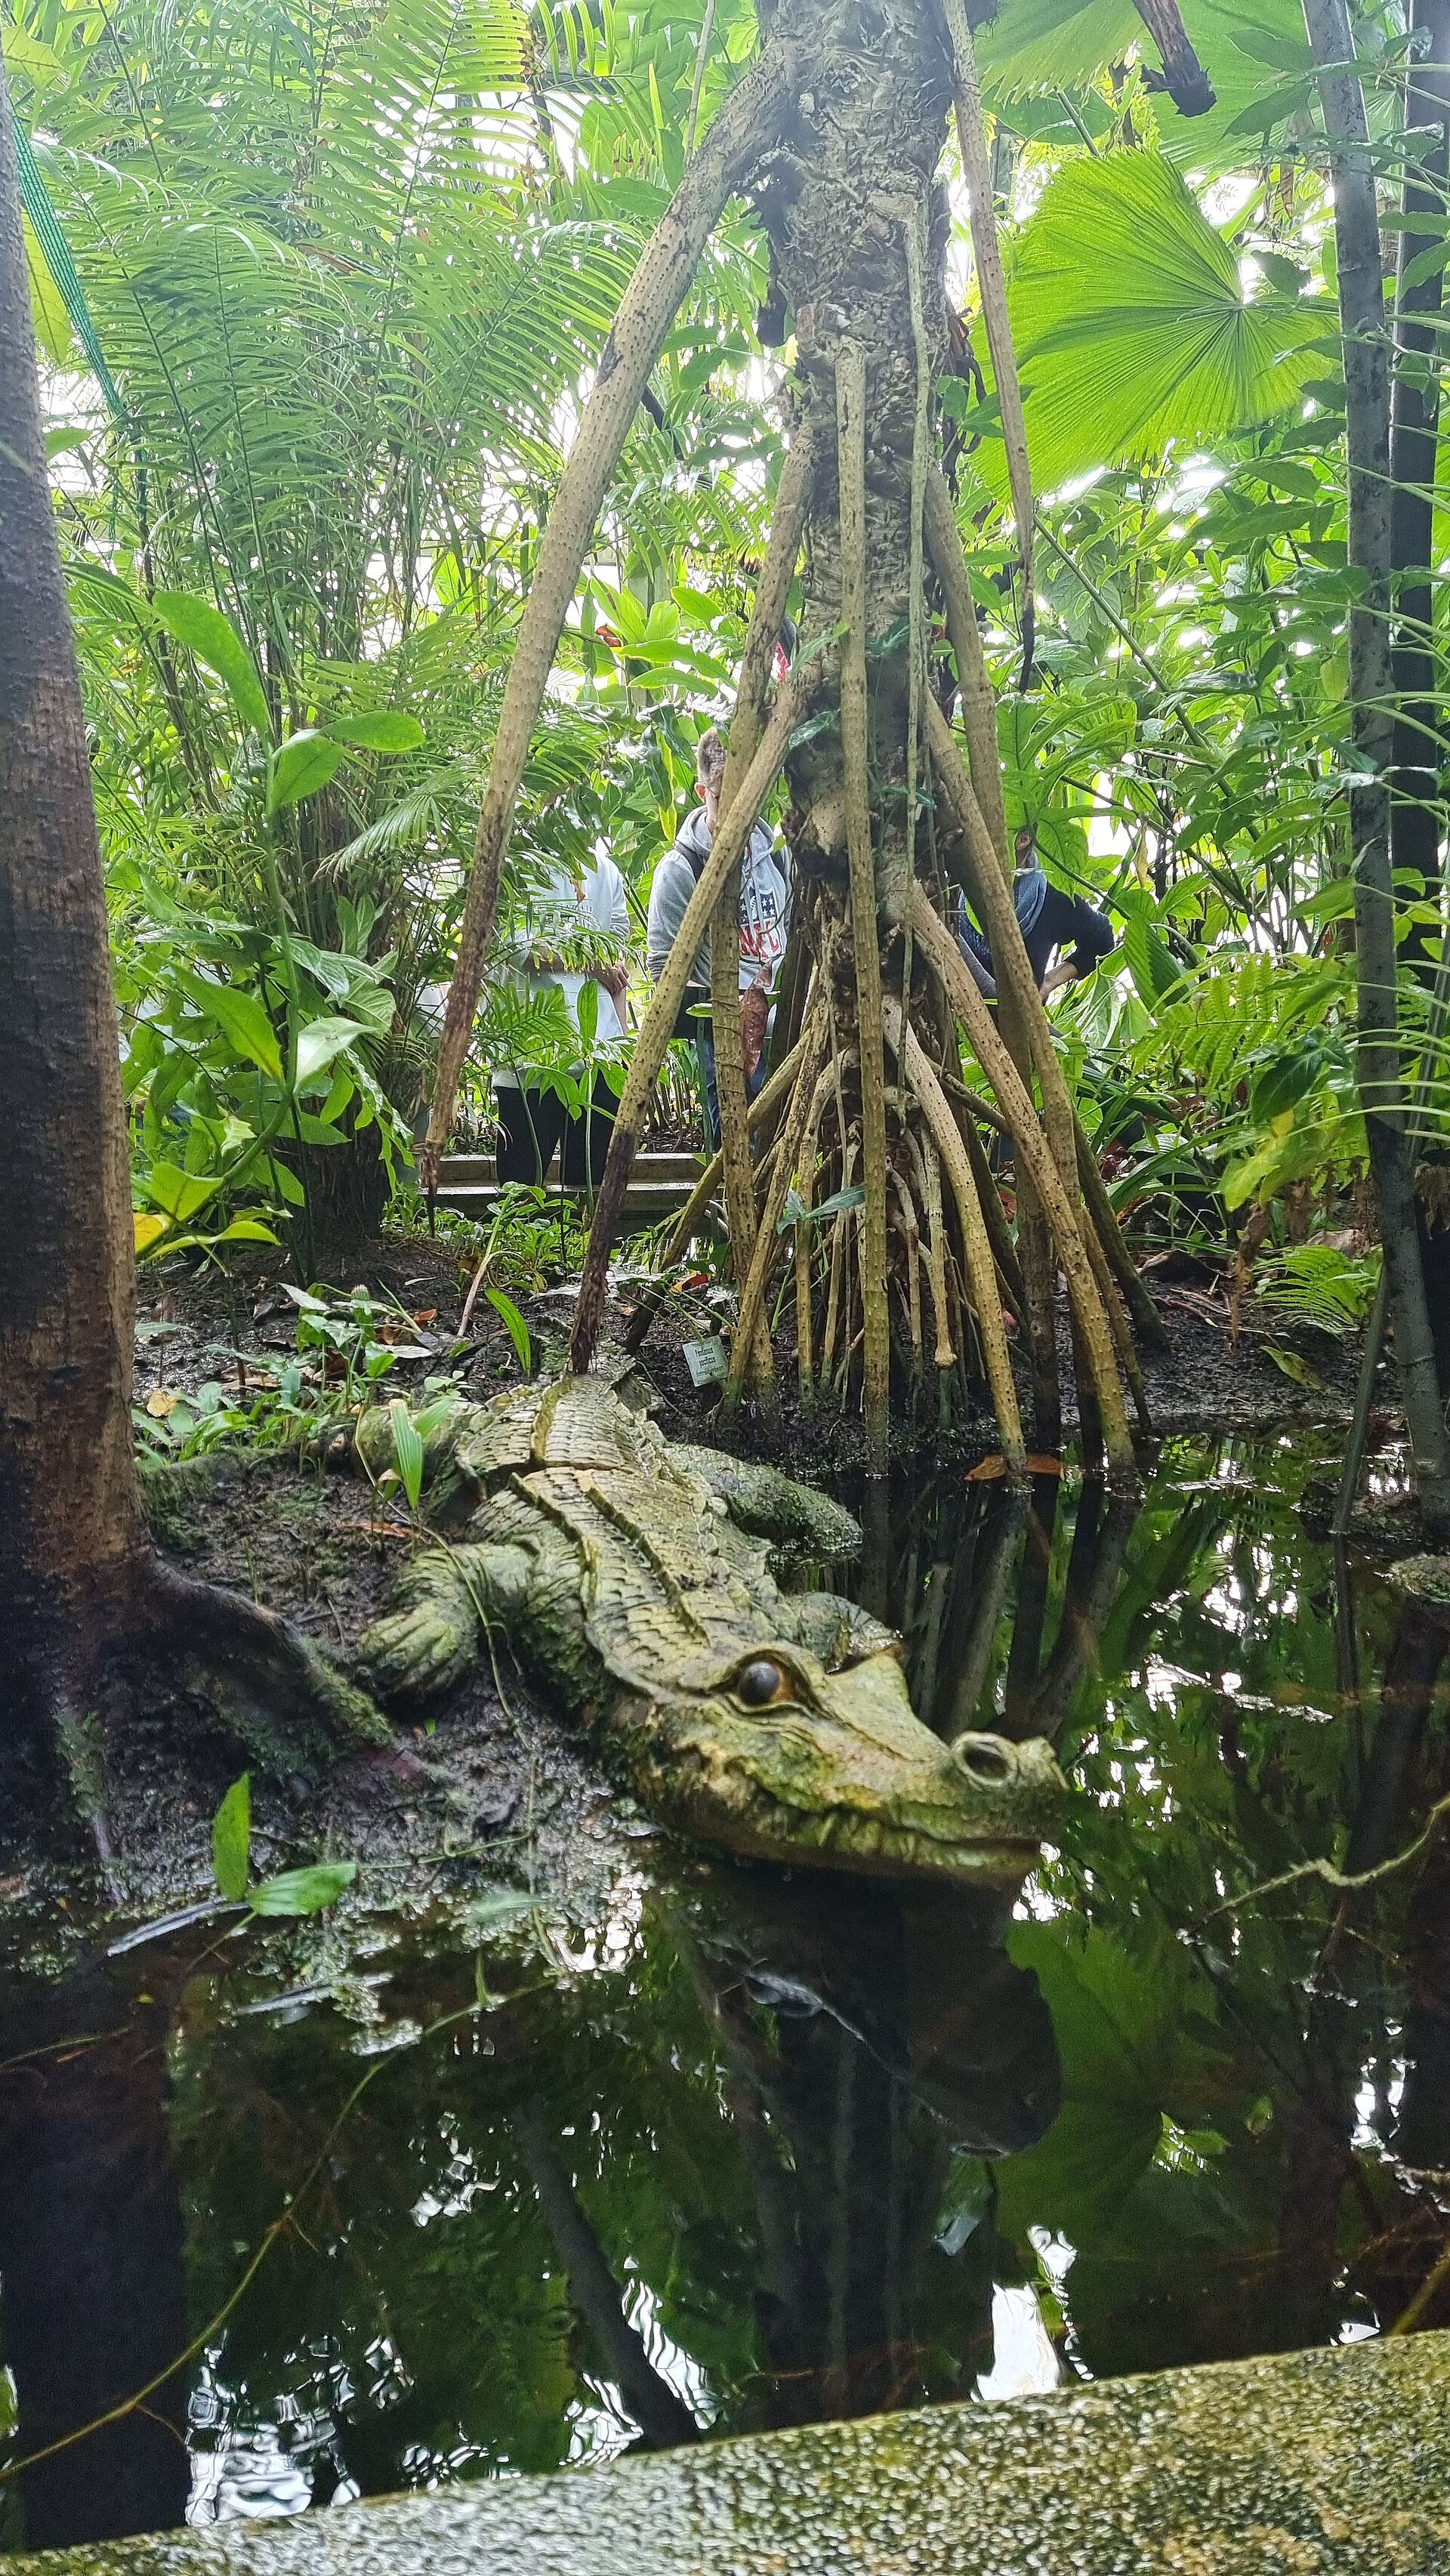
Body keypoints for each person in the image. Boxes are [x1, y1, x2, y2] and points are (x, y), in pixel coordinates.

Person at [646, 725, 791, 1146]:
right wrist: (727, 1009)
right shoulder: (681, 869)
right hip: (727, 1042)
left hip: (786, 1029)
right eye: (720, 798)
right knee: (737, 1156)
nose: (735, 813)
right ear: (701, 791)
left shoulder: (777, 851)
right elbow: (663, 970)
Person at [492, 853, 630, 1189]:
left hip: (599, 1054)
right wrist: (589, 962)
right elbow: (516, 949)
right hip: (530, 1054)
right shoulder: (518, 859)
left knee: (589, 1190)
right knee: (519, 1192)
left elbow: (617, 964)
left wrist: (624, 1046)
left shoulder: (604, 867)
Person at [956, 826, 1114, 999]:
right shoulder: (961, 873)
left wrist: (1049, 982)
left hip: (1007, 1020)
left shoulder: (1052, 896)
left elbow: (1102, 940)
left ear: (1023, 839)